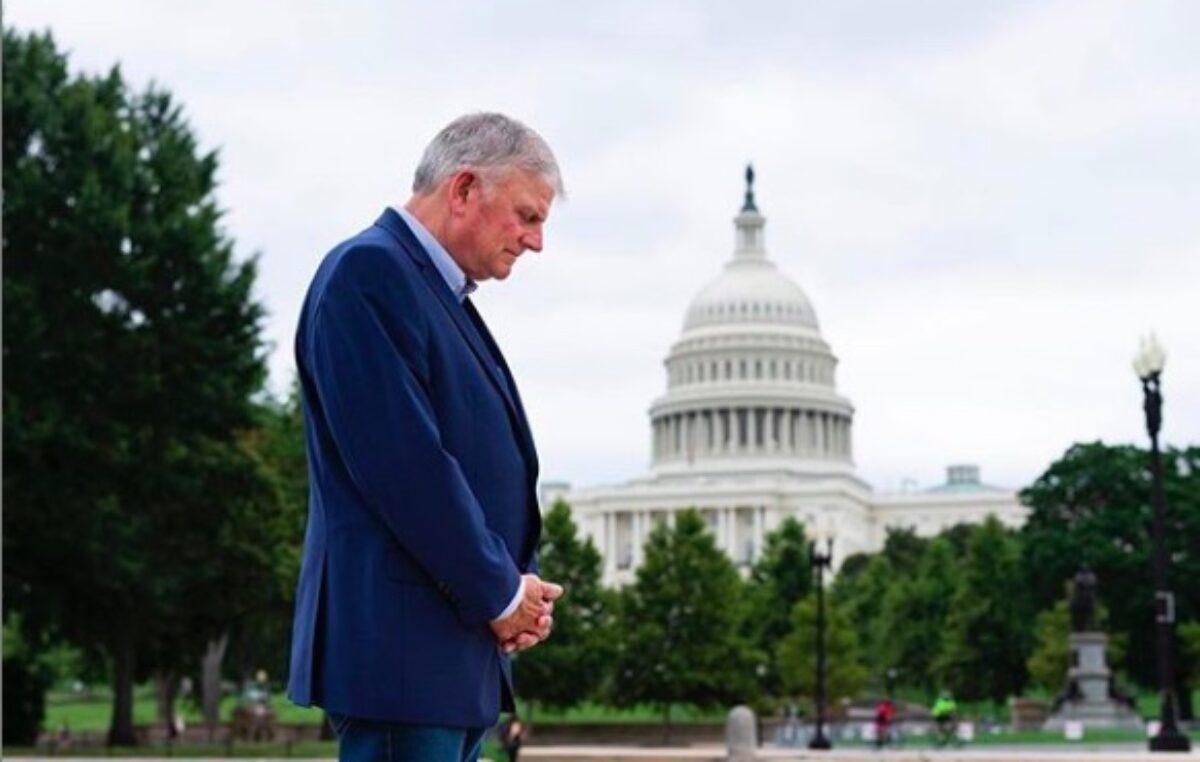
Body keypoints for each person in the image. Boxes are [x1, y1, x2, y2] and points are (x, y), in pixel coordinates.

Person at [286, 113, 566, 762]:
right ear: (464, 189)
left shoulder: (433, 291)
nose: (537, 241)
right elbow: (405, 468)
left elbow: (470, 465)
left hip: (443, 657)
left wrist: (517, 588)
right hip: (401, 659)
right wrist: (500, 591)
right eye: (527, 216)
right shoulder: (369, 274)